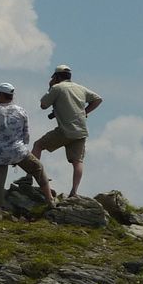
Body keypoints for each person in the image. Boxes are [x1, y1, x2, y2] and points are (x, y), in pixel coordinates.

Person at [30, 64, 103, 197]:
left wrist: (50, 87)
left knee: (38, 145)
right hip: (80, 131)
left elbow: (43, 105)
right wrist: (85, 112)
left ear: (56, 77)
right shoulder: (80, 88)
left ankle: (29, 177)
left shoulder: (57, 88)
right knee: (77, 161)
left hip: (65, 130)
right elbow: (98, 99)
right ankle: (74, 192)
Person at [0, 82, 54, 218]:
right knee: (38, 168)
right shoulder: (21, 111)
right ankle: (50, 200)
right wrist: (22, 146)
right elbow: (26, 133)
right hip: (18, 150)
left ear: (1, 95)